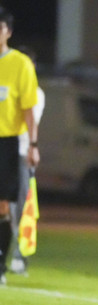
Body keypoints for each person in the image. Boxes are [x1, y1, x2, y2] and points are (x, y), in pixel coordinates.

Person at [0, 8, 40, 285]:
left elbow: (28, 110)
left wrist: (33, 145)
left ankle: (1, 266)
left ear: (8, 32)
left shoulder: (20, 64)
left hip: (6, 142)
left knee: (3, 206)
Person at [9, 46, 45, 275]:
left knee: (22, 208)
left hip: (20, 154)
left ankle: (19, 257)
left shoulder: (36, 93)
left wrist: (33, 149)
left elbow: (27, 121)